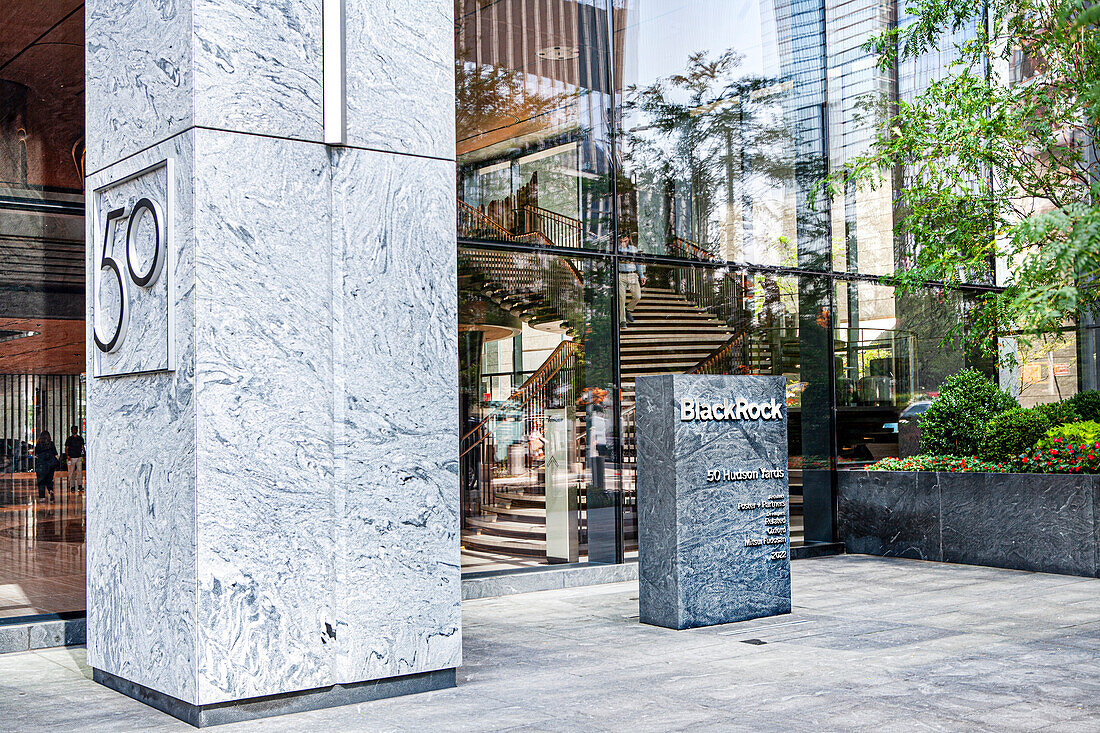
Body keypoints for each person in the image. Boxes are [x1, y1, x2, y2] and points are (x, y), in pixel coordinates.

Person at [618, 235, 645, 326]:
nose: (623, 243)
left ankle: (628, 309)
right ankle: (623, 320)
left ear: (628, 239)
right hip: (621, 274)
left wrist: (641, 275)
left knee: (637, 296)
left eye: (625, 241)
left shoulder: (633, 249)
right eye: (621, 241)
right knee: (622, 298)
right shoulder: (617, 248)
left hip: (632, 274)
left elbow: (638, 263)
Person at [34, 431, 58, 502]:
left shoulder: (38, 444)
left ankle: (42, 497)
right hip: (50, 463)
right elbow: (56, 454)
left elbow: (36, 454)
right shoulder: (51, 443)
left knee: (41, 480)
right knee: (49, 479)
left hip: (41, 464)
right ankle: (50, 490)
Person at [64, 425, 85, 492]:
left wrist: (84, 455)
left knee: (79, 472)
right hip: (71, 457)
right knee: (71, 472)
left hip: (78, 456)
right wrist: (67, 455)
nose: (74, 431)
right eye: (73, 430)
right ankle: (72, 486)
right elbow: (66, 448)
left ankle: (79, 485)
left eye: (75, 430)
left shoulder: (80, 438)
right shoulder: (69, 439)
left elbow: (83, 447)